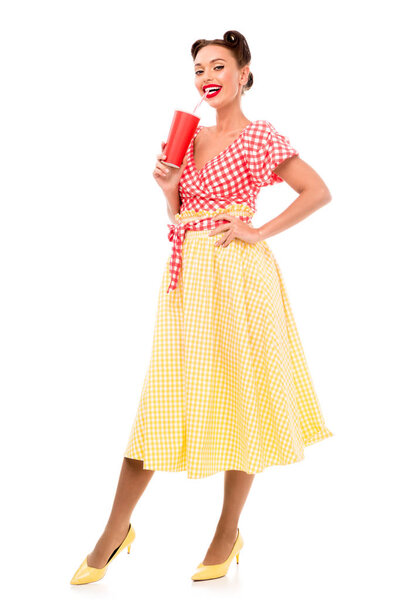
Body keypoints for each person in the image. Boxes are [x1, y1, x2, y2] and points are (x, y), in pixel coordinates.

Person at [70, 29, 334, 585]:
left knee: (242, 397)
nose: (207, 77)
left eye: (219, 66)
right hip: (186, 276)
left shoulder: (262, 136)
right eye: (198, 70)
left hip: (240, 276)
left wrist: (257, 231)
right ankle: (113, 532)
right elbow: (179, 215)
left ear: (243, 74)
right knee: (162, 400)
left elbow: (317, 191)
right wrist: (169, 187)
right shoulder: (186, 138)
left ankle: (226, 531)